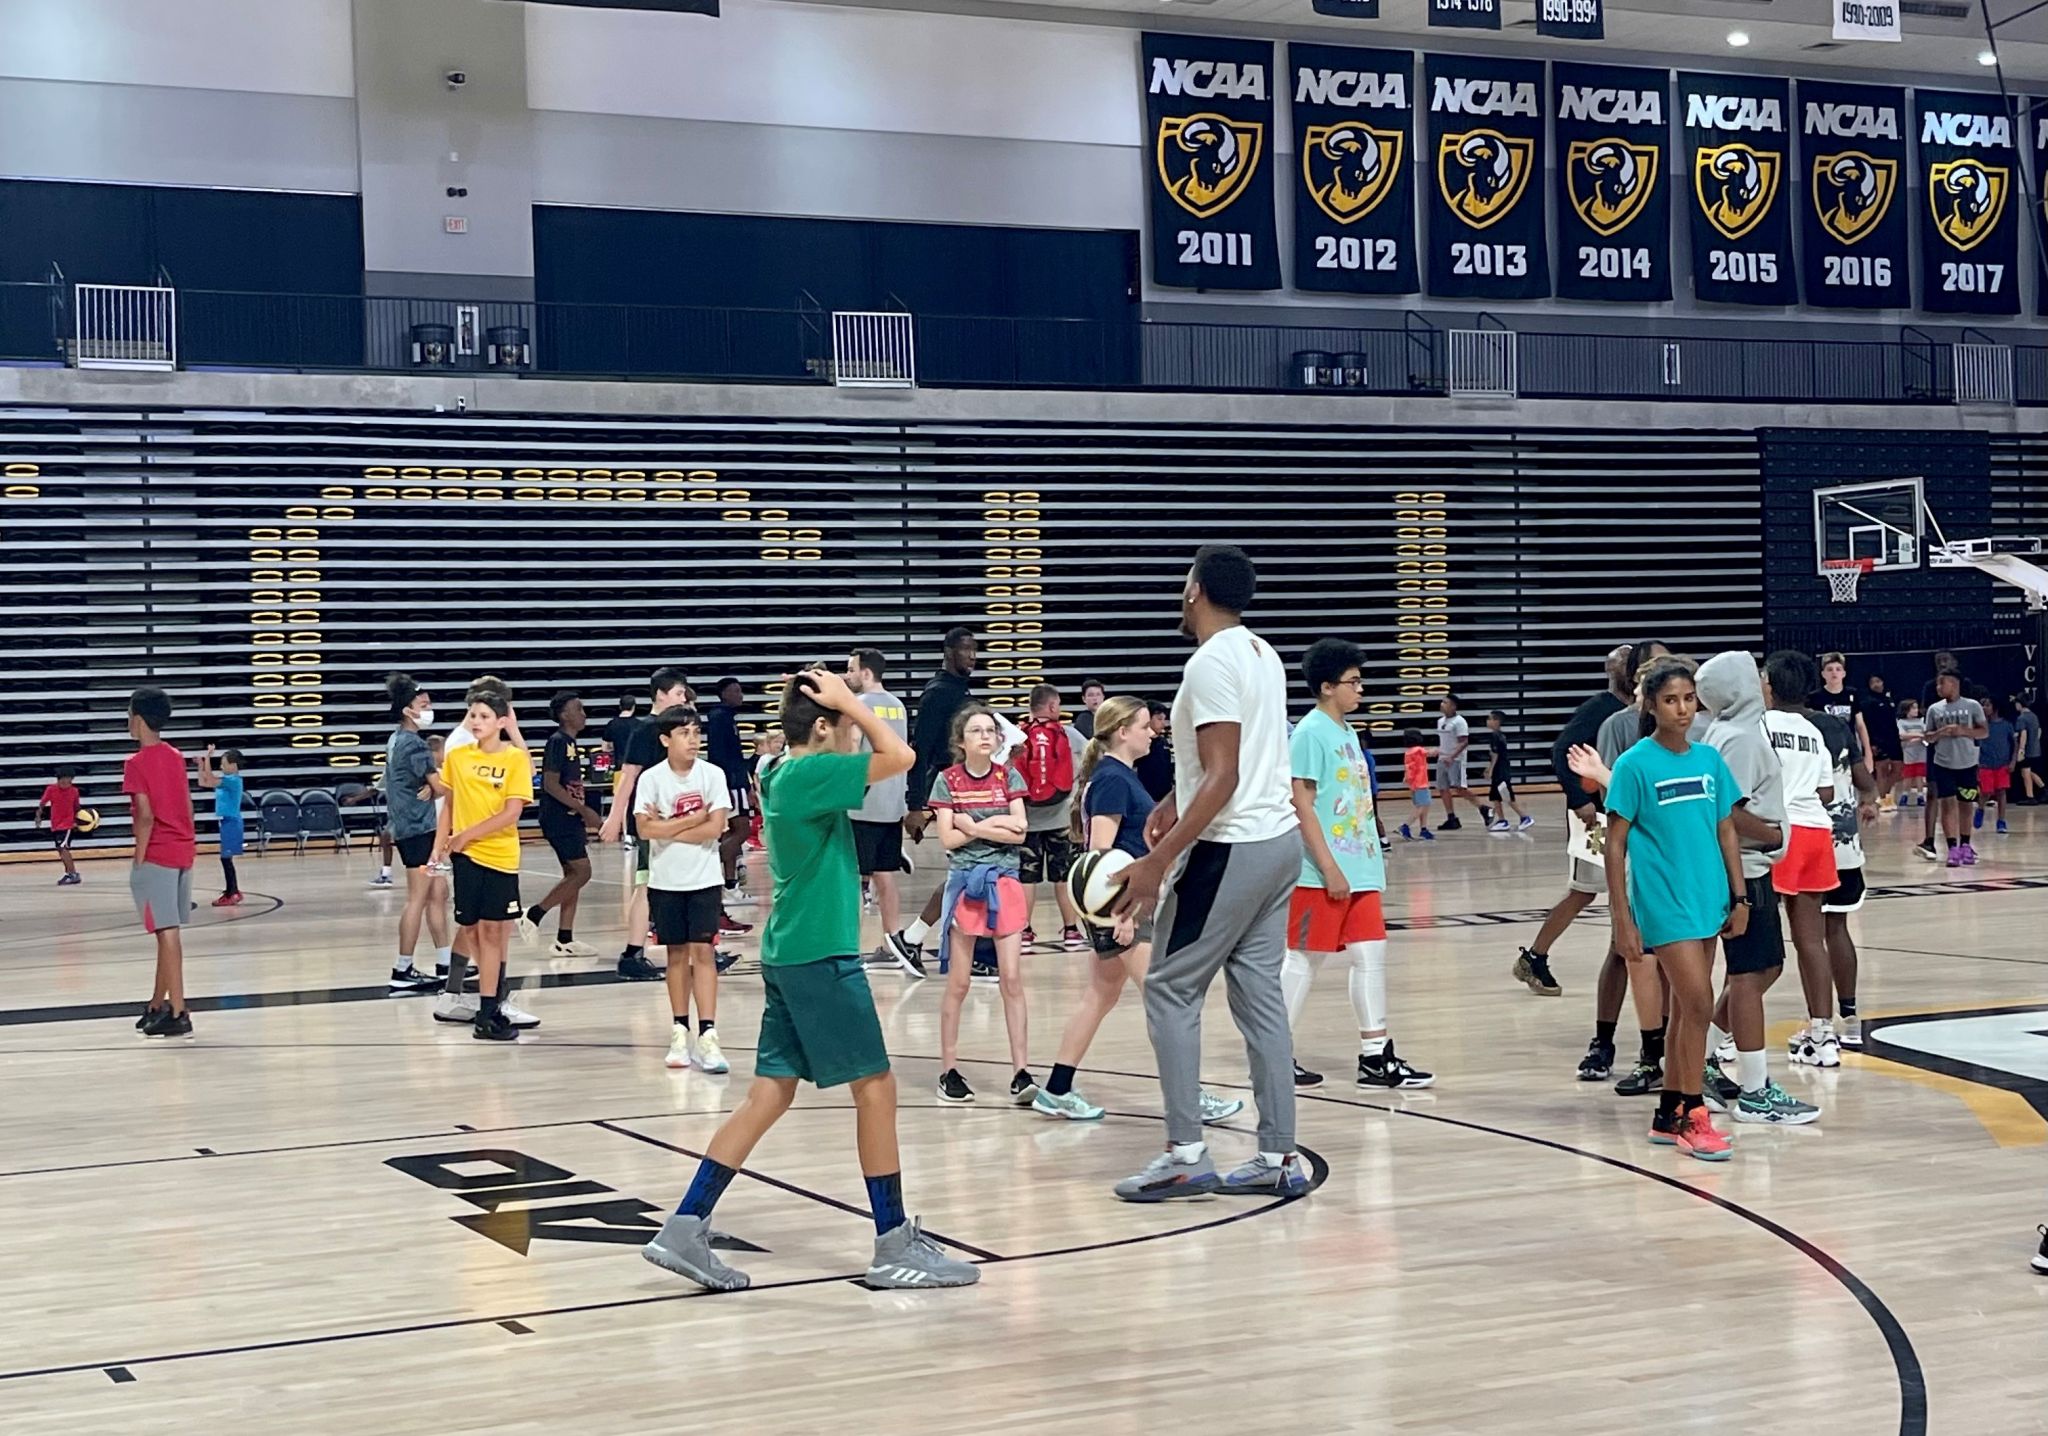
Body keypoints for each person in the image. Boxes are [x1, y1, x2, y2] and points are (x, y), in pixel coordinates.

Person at [640, 666, 980, 1293]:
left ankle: (685, 1226)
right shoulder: (808, 772)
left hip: (790, 951)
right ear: (823, 728)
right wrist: (854, 701)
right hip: (820, 955)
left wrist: (841, 706)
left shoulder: (779, 772)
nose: (855, 738)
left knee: (769, 1094)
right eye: (845, 728)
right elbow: (901, 754)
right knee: (876, 1087)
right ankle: (891, 1244)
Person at [1110, 545, 1307, 1202]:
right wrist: (1172, 800)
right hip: (1279, 841)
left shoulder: (1212, 661)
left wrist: (1155, 863)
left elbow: (1223, 774)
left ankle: (1186, 1154)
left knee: (1168, 988)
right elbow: (1238, 759)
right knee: (1259, 996)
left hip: (1232, 847)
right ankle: (1279, 1156)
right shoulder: (1261, 652)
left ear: (1194, 589)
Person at [1032, 695, 1244, 1126]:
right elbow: (1100, 858)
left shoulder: (1119, 775)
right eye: (1145, 725)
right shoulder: (1112, 780)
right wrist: (1122, 917)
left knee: (1099, 997)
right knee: (1167, 1001)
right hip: (1123, 909)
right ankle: (1190, 1097)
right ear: (1122, 731)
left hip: (1125, 907)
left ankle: (1056, 1089)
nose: (1153, 731)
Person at [1597, 657, 1746, 1162]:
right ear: (1651, 705)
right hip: (1663, 903)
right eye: (1670, 700)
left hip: (1710, 898)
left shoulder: (1708, 761)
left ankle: (1667, 1114)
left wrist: (1740, 895)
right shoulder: (1634, 765)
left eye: (1688, 699)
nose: (1681, 710)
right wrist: (1622, 918)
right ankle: (1693, 1115)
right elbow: (1614, 846)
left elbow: (1726, 828)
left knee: (1688, 1009)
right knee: (1701, 1004)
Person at [1281, 639, 1433, 1091]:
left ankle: (1375, 1056)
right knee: (1303, 961)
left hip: (1361, 868)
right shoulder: (1309, 733)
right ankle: (1272, 1054)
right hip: (1320, 872)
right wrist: (1328, 866)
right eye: (1352, 682)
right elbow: (1301, 804)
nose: (1360, 689)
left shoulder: (1346, 731)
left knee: (1371, 956)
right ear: (1326, 687)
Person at [1692, 653, 1813, 1126]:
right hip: (1743, 868)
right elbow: (1725, 809)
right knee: (1749, 977)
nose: (1765, 683)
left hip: (1740, 868)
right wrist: (1774, 835)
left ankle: (1698, 1060)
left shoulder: (1724, 731)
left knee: (1764, 969)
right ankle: (1755, 1092)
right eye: (1756, 677)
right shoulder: (1740, 738)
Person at [1514, 643, 1633, 1021]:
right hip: (1595, 814)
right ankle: (1535, 957)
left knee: (1619, 891)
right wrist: (1575, 798)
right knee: (1585, 891)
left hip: (1625, 813)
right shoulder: (1600, 708)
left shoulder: (1638, 713)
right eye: (1624, 665)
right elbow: (1561, 749)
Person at [932, 704, 1035, 1105]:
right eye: (976, 731)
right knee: (959, 982)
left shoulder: (1008, 775)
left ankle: (1022, 1072)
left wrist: (972, 825)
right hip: (965, 887)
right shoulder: (946, 781)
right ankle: (948, 1071)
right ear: (962, 741)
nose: (985, 736)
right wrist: (992, 827)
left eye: (990, 730)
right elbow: (947, 840)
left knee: (1011, 978)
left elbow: (1021, 830)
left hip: (1004, 881)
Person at [634, 706, 734, 1073]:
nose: (693, 740)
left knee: (703, 954)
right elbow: (645, 830)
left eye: (696, 733)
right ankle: (680, 1030)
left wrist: (672, 826)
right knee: (675, 955)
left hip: (704, 879)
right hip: (666, 880)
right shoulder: (651, 779)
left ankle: (708, 1034)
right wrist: (694, 819)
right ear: (665, 740)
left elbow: (716, 828)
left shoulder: (713, 775)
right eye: (684, 734)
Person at [433, 687, 534, 1042]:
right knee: (473, 932)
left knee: (495, 933)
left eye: (484, 716)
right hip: (465, 859)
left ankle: (490, 1010)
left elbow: (512, 813)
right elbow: (450, 804)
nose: (476, 722)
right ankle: (488, 1007)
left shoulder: (515, 759)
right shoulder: (458, 756)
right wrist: (439, 846)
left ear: (502, 722)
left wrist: (466, 834)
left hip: (500, 857)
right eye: (473, 715)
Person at [879, 628, 978, 971]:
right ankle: (920, 940)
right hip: (953, 793)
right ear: (949, 652)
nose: (973, 656)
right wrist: (916, 804)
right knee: (970, 872)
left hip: (970, 790)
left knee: (973, 874)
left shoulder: (961, 690)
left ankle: (918, 939)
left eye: (975, 650)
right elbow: (921, 751)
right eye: (966, 650)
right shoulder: (938, 694)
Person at [1763, 652, 1842, 1069]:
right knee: (1811, 939)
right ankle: (1823, 1035)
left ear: (1770, 687)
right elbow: (1826, 793)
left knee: (1750, 938)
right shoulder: (1814, 732)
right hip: (1816, 833)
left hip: (1776, 833)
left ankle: (1724, 1039)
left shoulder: (1758, 726)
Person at [599, 666, 690, 981]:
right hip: (650, 822)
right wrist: (613, 818)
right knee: (647, 884)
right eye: (678, 693)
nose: (683, 699)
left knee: (670, 885)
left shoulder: (675, 727)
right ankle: (632, 954)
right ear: (661, 694)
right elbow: (628, 776)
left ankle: (690, 947)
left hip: (672, 820)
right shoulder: (644, 730)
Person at [127, 688, 198, 1039]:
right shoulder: (175, 756)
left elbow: (144, 814)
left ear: (137, 719)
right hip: (183, 849)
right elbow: (186, 806)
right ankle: (158, 1003)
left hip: (157, 853)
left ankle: (179, 1009)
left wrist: (139, 857)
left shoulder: (136, 764)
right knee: (166, 932)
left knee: (166, 932)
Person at [844, 649, 917, 974]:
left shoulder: (858, 706)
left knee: (852, 880)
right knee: (885, 876)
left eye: (851, 670)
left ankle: (849, 948)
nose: (847, 676)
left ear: (866, 673)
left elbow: (852, 749)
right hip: (891, 805)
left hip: (862, 805)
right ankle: (892, 944)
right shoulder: (898, 706)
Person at [380, 674, 451, 996]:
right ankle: (402, 969)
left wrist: (429, 788)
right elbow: (440, 788)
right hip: (418, 830)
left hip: (412, 828)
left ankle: (446, 963)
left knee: (438, 894)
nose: (429, 709)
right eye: (424, 705)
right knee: (418, 899)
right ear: (408, 710)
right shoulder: (415, 743)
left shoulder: (395, 740)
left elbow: (416, 785)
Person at [1819, 708, 1878, 1051]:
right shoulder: (1837, 726)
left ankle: (1820, 1027)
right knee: (1836, 928)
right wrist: (1869, 804)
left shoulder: (1772, 726)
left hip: (1800, 844)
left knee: (1808, 936)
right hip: (1844, 849)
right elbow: (1867, 785)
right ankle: (1849, 1016)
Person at [528, 693, 601, 958]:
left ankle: (564, 939)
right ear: (564, 715)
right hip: (558, 817)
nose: (584, 713)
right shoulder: (558, 742)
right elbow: (549, 784)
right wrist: (584, 810)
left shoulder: (571, 743)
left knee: (573, 875)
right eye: (578, 709)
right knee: (583, 872)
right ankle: (535, 914)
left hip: (569, 817)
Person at [1016, 683, 1085, 950]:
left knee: (1027, 877)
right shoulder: (1069, 735)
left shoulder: (1019, 737)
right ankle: (1071, 932)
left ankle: (1024, 932)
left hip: (1027, 820)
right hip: (1061, 819)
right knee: (1063, 876)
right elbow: (1092, 760)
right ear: (1053, 706)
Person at [704, 678, 757, 925]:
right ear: (723, 694)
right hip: (730, 782)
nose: (740, 694)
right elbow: (723, 755)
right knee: (741, 830)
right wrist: (737, 784)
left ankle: (730, 883)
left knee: (735, 833)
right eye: (735, 690)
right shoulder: (719, 717)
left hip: (734, 781)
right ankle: (724, 880)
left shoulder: (727, 716)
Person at [1924, 670, 1987, 867]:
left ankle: (1966, 844)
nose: (1938, 688)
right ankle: (1952, 847)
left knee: (1966, 804)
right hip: (1943, 763)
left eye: (1941, 683)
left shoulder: (1972, 706)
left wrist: (1964, 731)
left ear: (1954, 683)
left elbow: (1984, 732)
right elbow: (1927, 737)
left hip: (1967, 762)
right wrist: (1941, 732)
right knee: (1947, 804)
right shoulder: (1934, 709)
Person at [1809, 653, 1872, 782]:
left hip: (1849, 747)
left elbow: (1860, 725)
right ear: (1823, 674)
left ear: (1844, 673)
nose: (1834, 673)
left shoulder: (1852, 694)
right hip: (1825, 747)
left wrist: (1868, 753)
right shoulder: (1814, 698)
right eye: (1830, 669)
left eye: (1838, 669)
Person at [196, 746, 244, 906]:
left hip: (232, 822)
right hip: (226, 822)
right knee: (226, 859)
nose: (221, 767)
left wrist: (208, 758)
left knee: (226, 859)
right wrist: (200, 766)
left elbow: (209, 777)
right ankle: (233, 891)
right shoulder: (226, 780)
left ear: (234, 765)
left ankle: (232, 892)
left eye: (223, 764)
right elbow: (204, 781)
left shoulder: (233, 781)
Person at [1480, 710, 1533, 833]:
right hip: (1500, 771)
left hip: (1501, 772)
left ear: (1496, 721)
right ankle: (1502, 821)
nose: (1487, 721)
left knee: (1506, 796)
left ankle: (1525, 817)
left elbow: (1495, 755)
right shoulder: (1499, 735)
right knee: (1495, 796)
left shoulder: (1495, 736)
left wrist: (1490, 770)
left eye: (1489, 719)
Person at [36, 764, 82, 885]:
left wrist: (77, 822)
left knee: (63, 848)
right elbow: (42, 803)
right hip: (56, 824)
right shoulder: (51, 789)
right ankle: (69, 873)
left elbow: (77, 807)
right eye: (62, 779)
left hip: (68, 825)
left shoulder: (74, 791)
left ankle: (73, 874)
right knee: (61, 849)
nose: (65, 781)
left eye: (68, 779)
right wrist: (38, 816)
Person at [1862, 673, 1902, 810]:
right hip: (1878, 740)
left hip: (1893, 738)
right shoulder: (1867, 702)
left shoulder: (1889, 699)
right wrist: (1871, 743)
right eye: (1873, 682)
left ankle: (1885, 794)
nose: (1876, 685)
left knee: (1898, 769)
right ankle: (1884, 799)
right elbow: (1866, 724)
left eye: (1878, 681)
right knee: (1882, 769)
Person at [1978, 696, 2016, 835]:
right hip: (1985, 763)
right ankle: (1980, 809)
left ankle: (2001, 821)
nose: (1984, 708)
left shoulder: (2006, 725)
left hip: (2002, 764)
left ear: (1995, 707)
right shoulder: (1981, 725)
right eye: (1983, 705)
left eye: (1987, 705)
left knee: (2001, 792)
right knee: (1985, 791)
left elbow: (2014, 745)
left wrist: (2013, 761)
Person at [1435, 695, 1474, 829]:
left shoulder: (1460, 722)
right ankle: (1451, 817)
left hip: (1455, 760)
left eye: (1445, 702)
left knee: (1460, 789)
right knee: (1443, 788)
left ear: (1453, 706)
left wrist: (1452, 756)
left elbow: (1464, 742)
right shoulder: (1440, 721)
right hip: (1442, 759)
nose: (1442, 704)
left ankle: (1484, 808)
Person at [1134, 702, 1174, 801]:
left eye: (1164, 719)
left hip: (1164, 795)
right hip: (1146, 795)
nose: (1163, 723)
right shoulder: (1140, 741)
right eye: (1159, 719)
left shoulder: (1163, 741)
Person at [1398, 730, 1434, 841]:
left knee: (1424, 806)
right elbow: (1430, 753)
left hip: (1414, 784)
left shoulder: (1408, 752)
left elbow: (1409, 768)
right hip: (1421, 783)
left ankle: (1424, 829)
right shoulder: (1418, 750)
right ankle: (1405, 826)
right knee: (1421, 806)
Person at [1898, 699, 1928, 810]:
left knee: (1920, 774)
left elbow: (1925, 734)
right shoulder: (1901, 722)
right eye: (1913, 708)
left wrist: (1916, 737)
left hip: (1921, 752)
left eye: (1916, 708)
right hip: (1908, 753)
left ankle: (1920, 796)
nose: (1916, 710)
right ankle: (1905, 794)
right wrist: (1918, 735)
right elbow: (1902, 735)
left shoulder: (1921, 721)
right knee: (1908, 775)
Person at [2015, 694, 2044, 804]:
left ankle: (2030, 796)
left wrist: (2021, 750)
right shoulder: (2034, 716)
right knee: (2029, 771)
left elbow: (2023, 734)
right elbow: (2039, 731)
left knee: (2025, 772)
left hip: (2027, 750)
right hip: (2035, 748)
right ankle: (2043, 788)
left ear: (2019, 703)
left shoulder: (2021, 718)